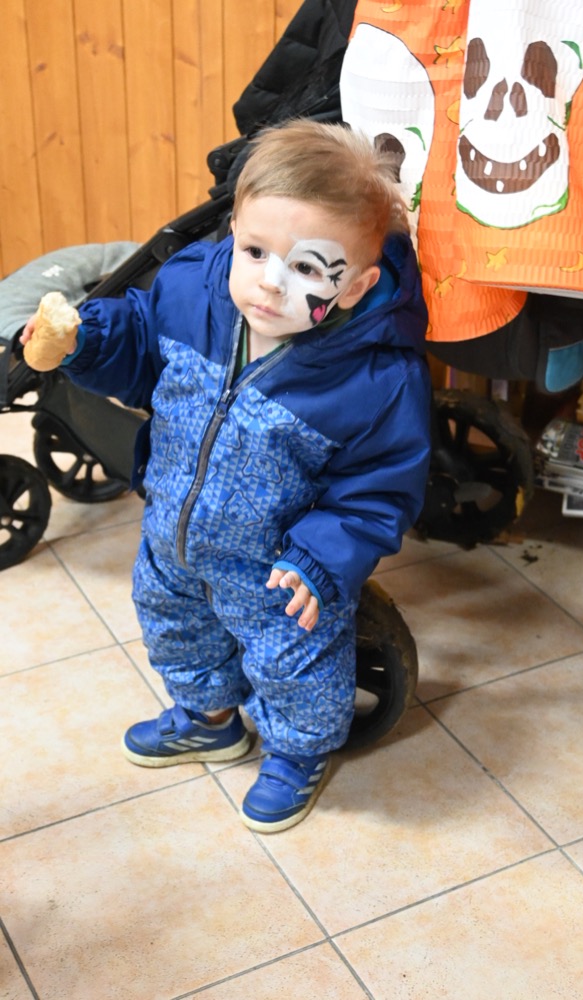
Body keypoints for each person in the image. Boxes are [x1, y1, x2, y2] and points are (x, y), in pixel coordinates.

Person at [21, 119, 432, 833]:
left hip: (278, 567)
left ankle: (297, 751)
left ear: (359, 285)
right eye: (255, 251)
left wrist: (322, 557)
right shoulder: (192, 289)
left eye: (309, 269)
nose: (269, 282)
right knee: (174, 627)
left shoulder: (377, 379)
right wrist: (88, 342)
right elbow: (141, 346)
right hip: (172, 534)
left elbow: (378, 488)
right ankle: (209, 721)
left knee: (295, 661)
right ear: (234, 232)